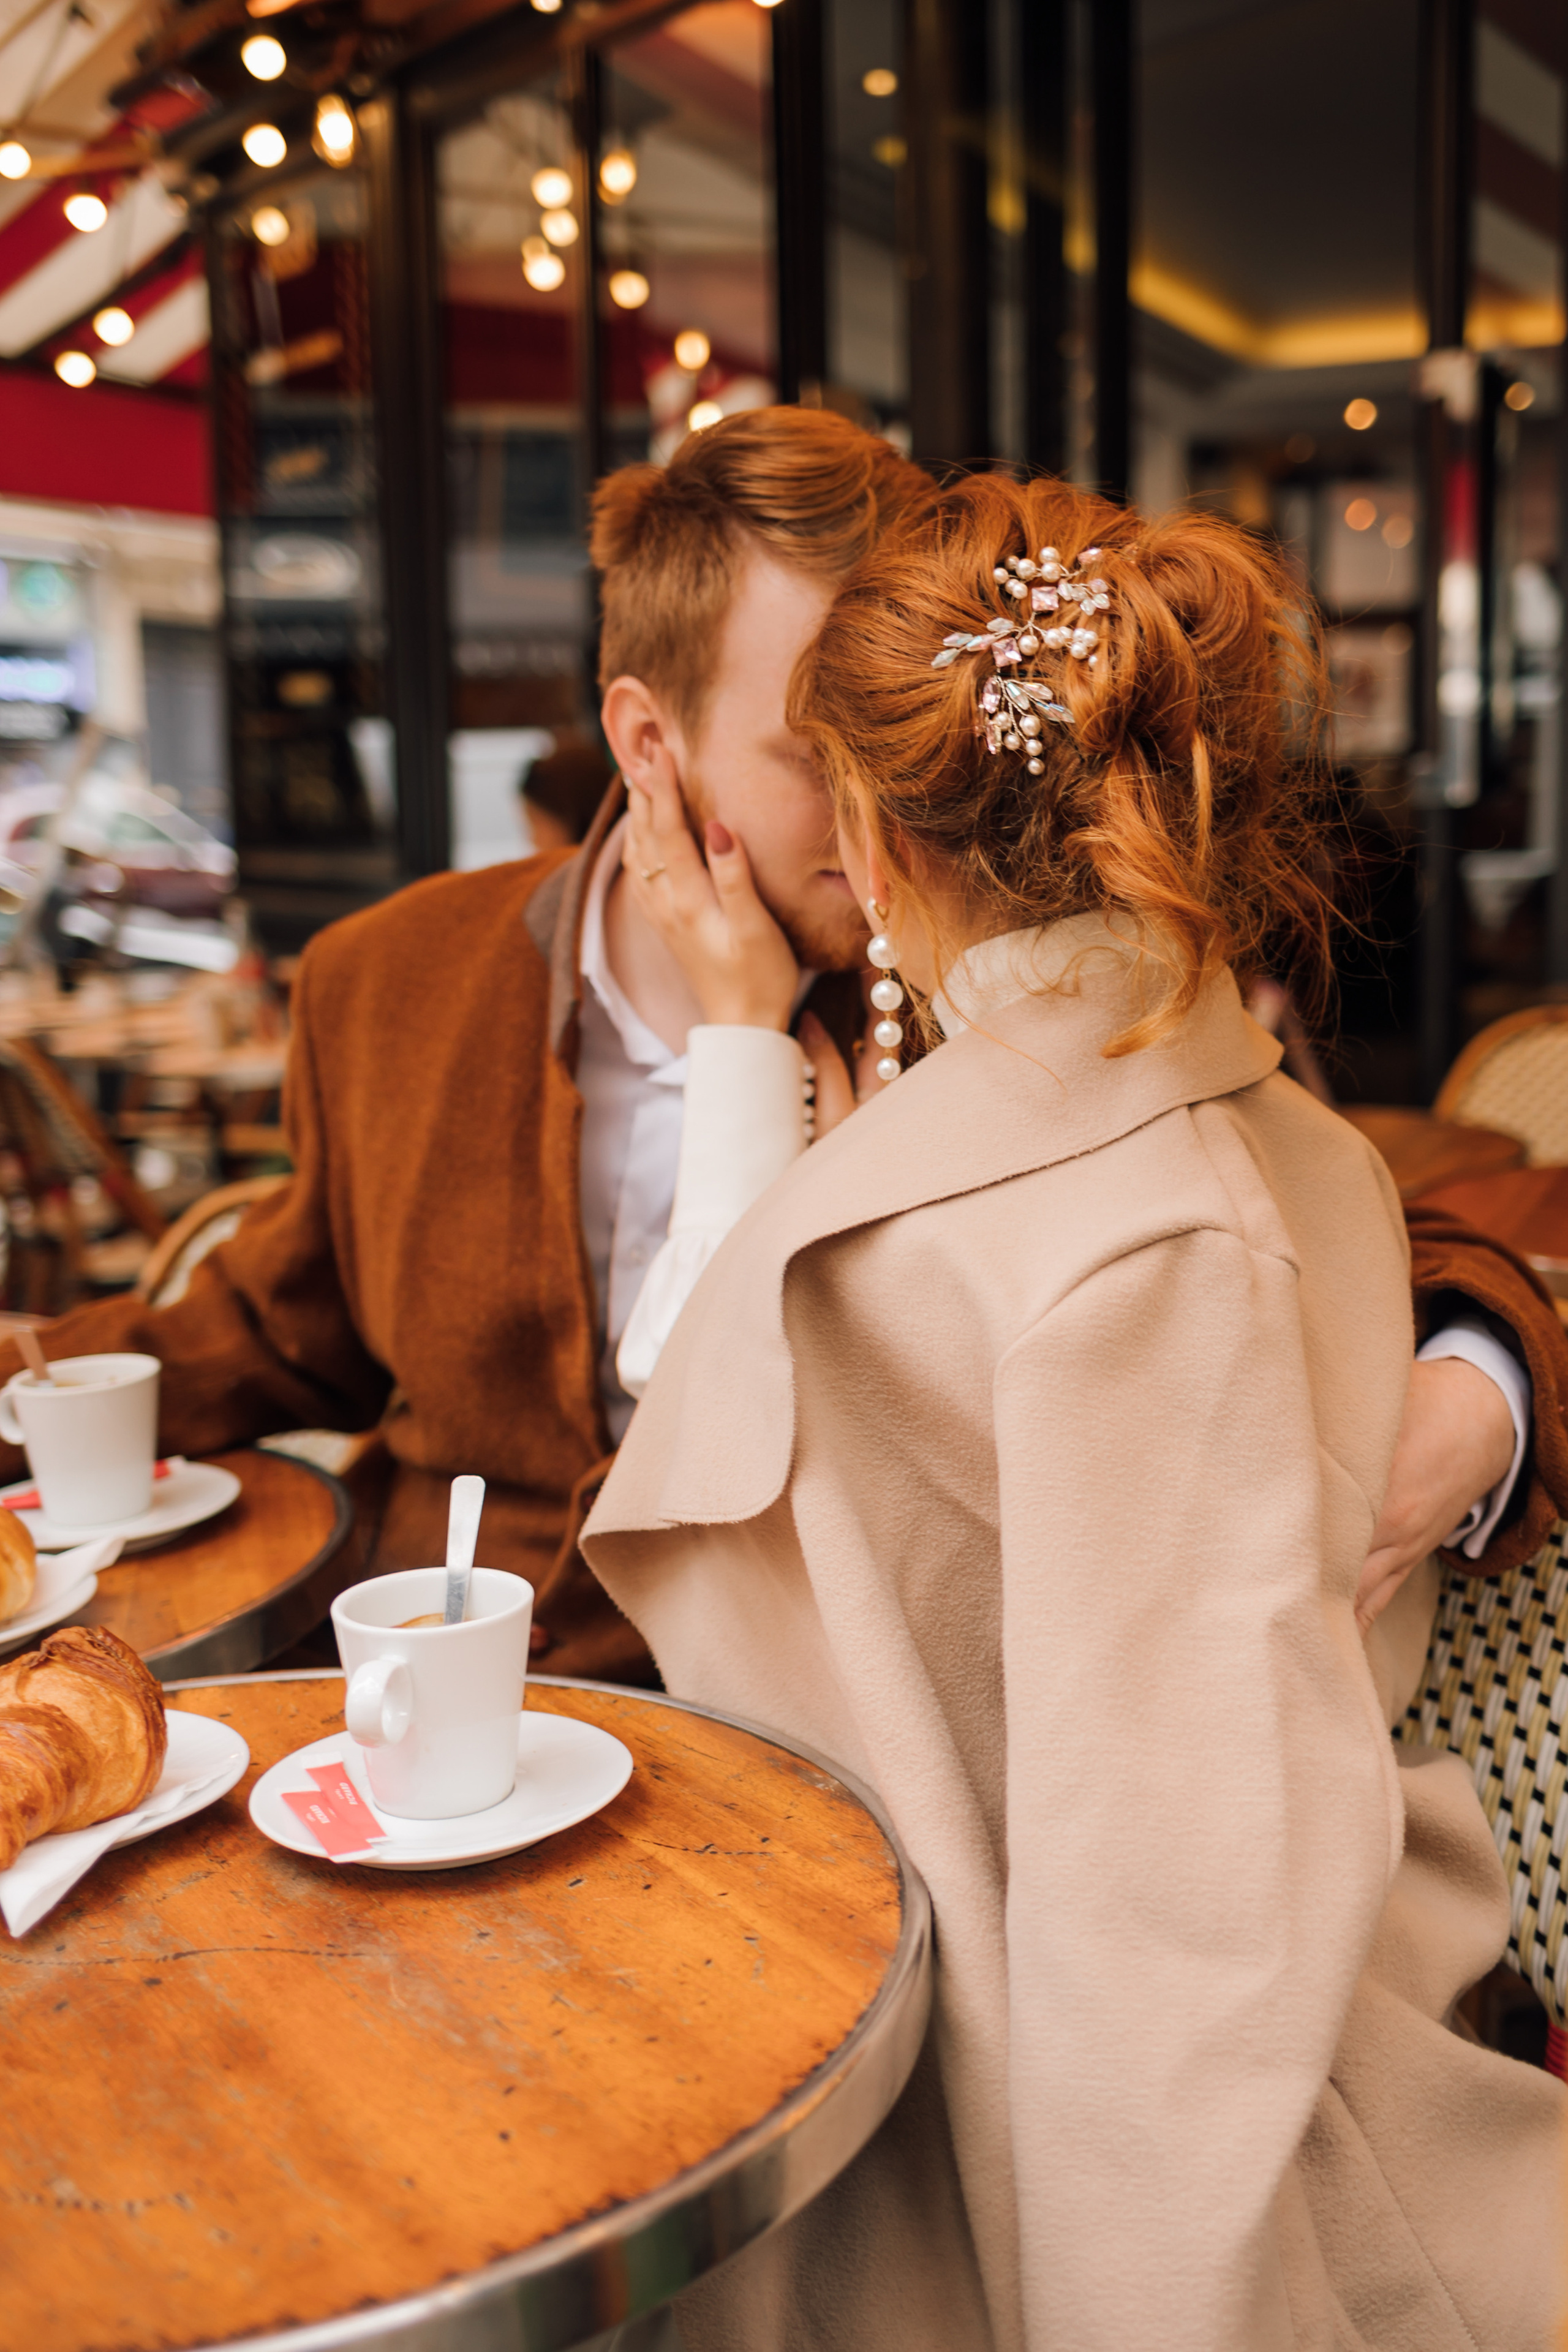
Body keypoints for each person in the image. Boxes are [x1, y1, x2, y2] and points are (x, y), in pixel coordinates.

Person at [0, 409, 1560, 1683]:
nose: (888, 804)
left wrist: (1483, 1383)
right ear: (646, 743)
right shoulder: (392, 978)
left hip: (819, 1746)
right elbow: (277, 1331)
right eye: (821, 750)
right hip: (436, 1700)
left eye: (903, 739)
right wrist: (25, 1390)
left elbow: (1288, 1222)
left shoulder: (978, 974)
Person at [582, 476, 1565, 2350]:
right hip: (875, 1990)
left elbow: (1172, 1931)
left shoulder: (1116, 1245)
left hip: (1001, 2109)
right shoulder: (1252, 1142)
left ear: (876, 844)